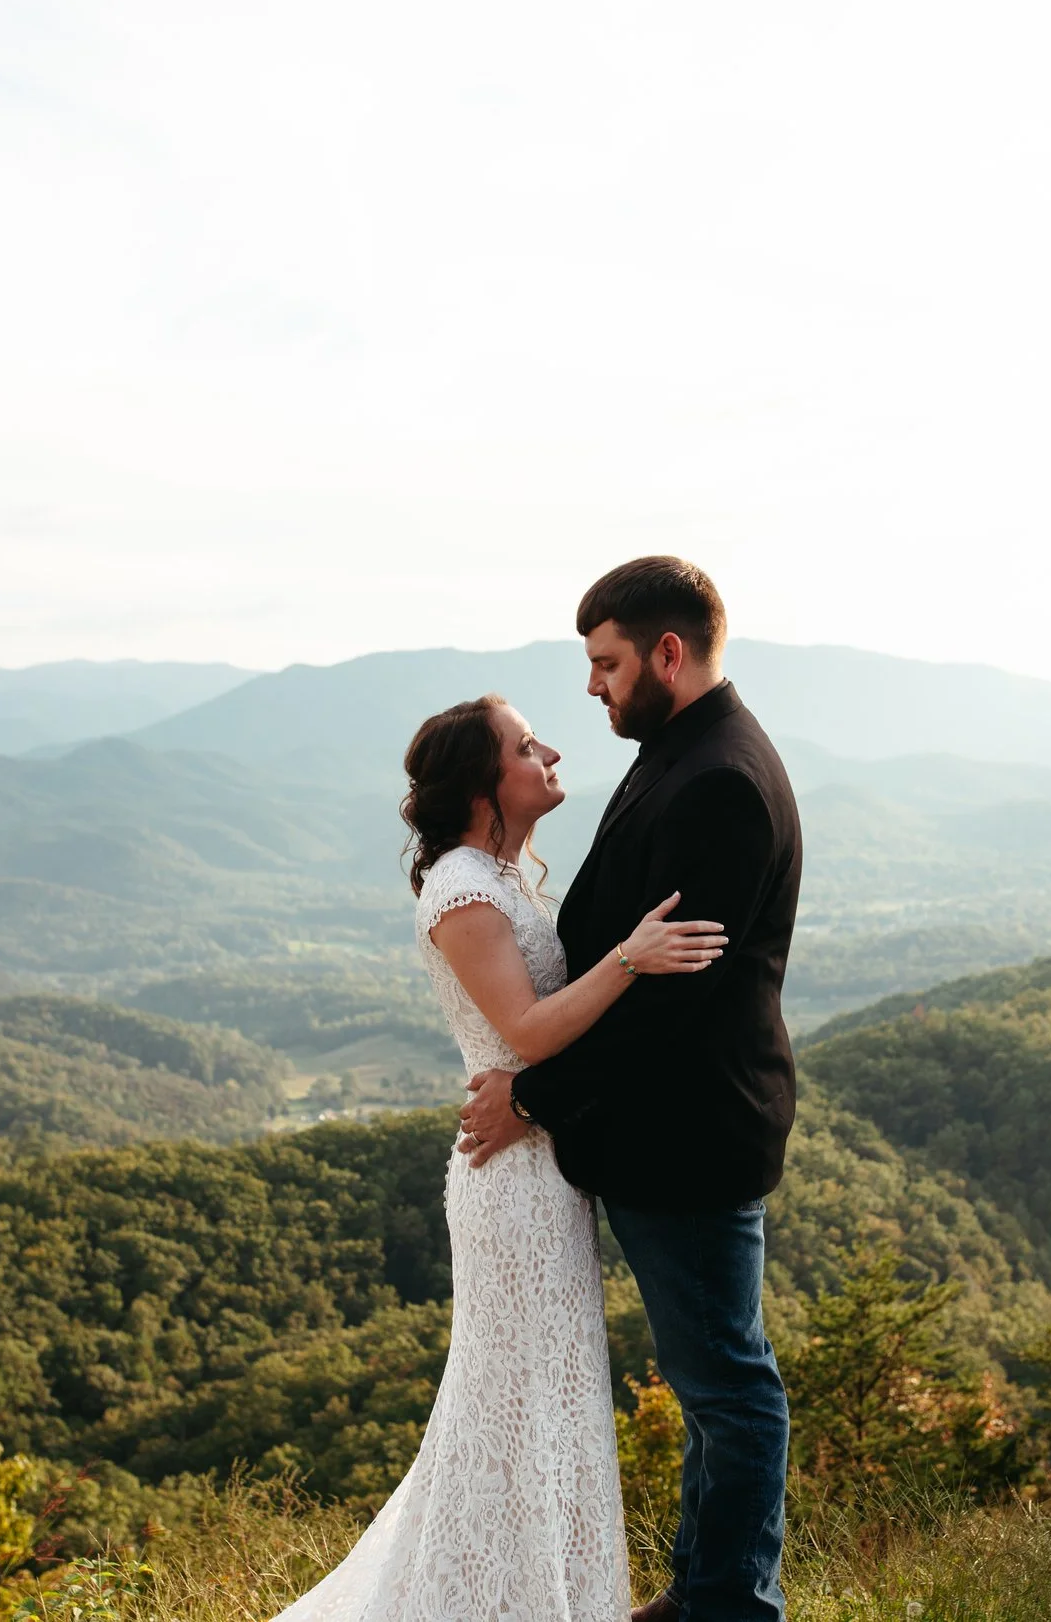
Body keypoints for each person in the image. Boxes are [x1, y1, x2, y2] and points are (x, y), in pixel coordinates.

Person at [272, 682, 728, 1622]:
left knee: (545, 1405)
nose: (549, 754)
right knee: (515, 1408)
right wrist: (632, 957)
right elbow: (526, 1028)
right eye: (526, 746)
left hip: (540, 1167)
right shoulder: (463, 889)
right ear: (484, 784)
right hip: (510, 1187)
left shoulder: (505, 877)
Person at [459, 557, 803, 1622]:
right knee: (709, 1385)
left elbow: (672, 1008)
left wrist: (533, 1096)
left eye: (607, 664)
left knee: (731, 1387)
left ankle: (732, 1605)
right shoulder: (681, 752)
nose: (593, 686)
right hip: (661, 1129)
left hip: (689, 1133)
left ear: (667, 652)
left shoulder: (719, 782)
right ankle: (703, 1589)